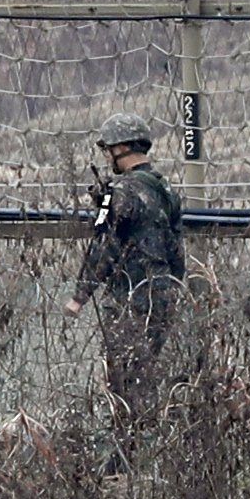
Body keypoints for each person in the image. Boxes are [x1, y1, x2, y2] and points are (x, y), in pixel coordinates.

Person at [67, 109, 187, 412]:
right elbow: (177, 251)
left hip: (129, 297)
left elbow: (104, 244)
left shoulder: (120, 192)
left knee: (123, 381)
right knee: (146, 374)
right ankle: (145, 435)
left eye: (108, 150)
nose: (107, 157)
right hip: (162, 293)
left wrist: (80, 296)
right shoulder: (166, 188)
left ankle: (129, 445)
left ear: (121, 148)